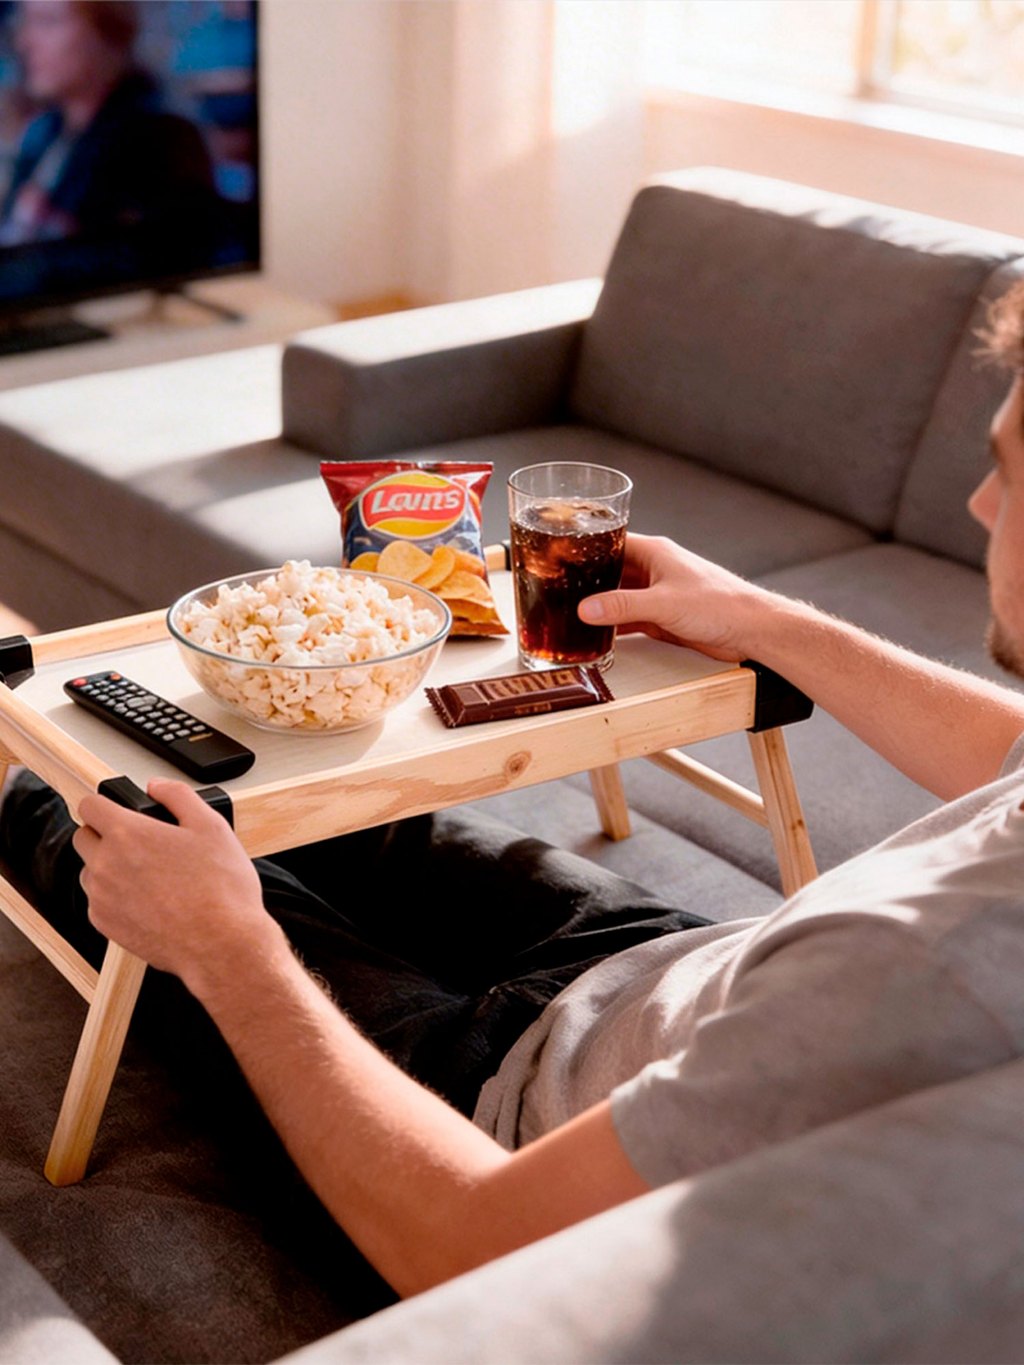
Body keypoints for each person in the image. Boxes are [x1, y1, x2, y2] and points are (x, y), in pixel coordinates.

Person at [4, 282, 1024, 1301]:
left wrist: (230, 952)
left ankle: (20, 792)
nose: (980, 503)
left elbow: (478, 1246)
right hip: (672, 969)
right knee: (346, 821)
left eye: (1009, 472)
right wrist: (757, 616)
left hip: (493, 1108)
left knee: (118, 834)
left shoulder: (918, 972)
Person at [0, 1, 224, 285]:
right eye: (25, 22)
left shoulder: (160, 138)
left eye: (48, 21)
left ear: (107, 33)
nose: (24, 42)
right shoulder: (43, 132)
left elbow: (161, 266)